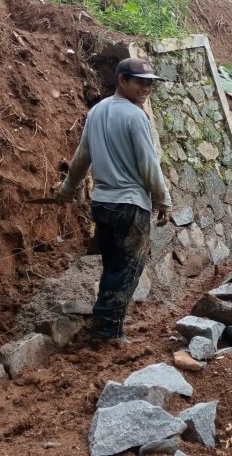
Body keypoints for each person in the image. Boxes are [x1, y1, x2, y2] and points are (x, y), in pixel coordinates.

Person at [57, 57, 172, 341]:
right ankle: (109, 331)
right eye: (140, 82)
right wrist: (164, 200)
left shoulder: (96, 111)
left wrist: (67, 188)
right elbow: (148, 165)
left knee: (112, 265)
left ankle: (103, 321)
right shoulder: (135, 116)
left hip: (102, 204)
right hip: (130, 205)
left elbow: (82, 156)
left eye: (150, 84)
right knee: (127, 268)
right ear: (122, 80)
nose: (146, 88)